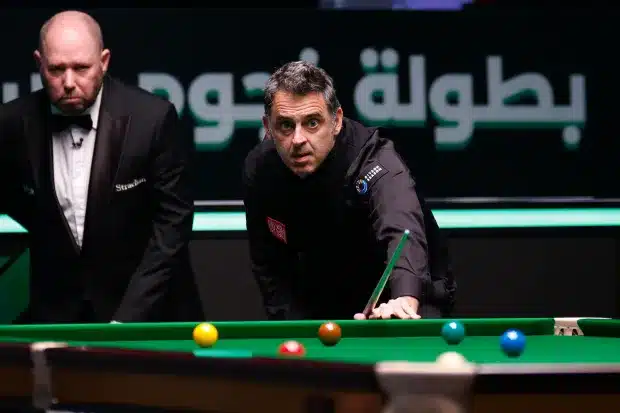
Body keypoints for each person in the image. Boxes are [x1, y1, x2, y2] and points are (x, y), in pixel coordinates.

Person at [0, 10, 204, 323]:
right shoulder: (11, 123)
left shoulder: (152, 119)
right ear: (39, 63)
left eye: (81, 68)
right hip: (59, 314)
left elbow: (172, 225)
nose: (69, 82)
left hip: (148, 312)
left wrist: (127, 319)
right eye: (56, 69)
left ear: (104, 61)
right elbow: (15, 199)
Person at [242, 61, 456, 321]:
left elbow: (401, 230)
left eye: (312, 123)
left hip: (407, 291)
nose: (298, 140)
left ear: (336, 121)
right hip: (326, 293)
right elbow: (269, 264)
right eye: (286, 125)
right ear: (268, 127)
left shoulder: (375, 159)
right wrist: (290, 327)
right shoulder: (260, 169)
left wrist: (404, 298)